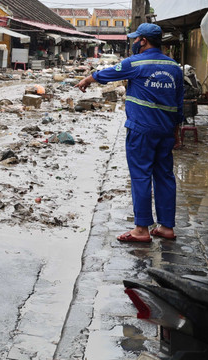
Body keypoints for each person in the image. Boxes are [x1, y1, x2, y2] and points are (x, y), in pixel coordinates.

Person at [77, 23, 183, 243]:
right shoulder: (174, 67)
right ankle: (166, 227)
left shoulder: (136, 63)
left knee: (141, 176)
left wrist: (87, 79)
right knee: (165, 176)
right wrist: (176, 130)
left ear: (143, 40)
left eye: (136, 39)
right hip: (165, 130)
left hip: (142, 130)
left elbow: (108, 74)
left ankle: (141, 229)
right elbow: (179, 102)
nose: (134, 42)